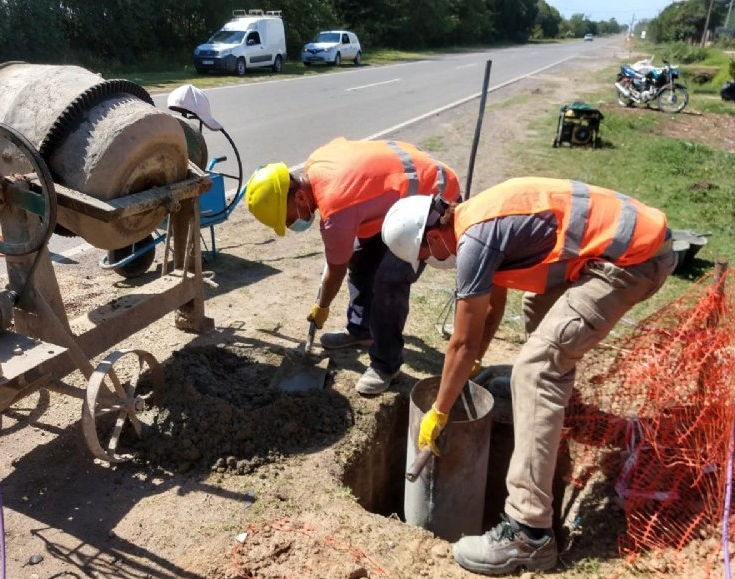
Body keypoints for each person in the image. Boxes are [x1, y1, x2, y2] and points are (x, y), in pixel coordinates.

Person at [381, 177, 676, 575]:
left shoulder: (474, 241)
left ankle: (528, 532)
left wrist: (440, 409)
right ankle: (553, 417)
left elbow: (462, 343)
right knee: (538, 305)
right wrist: (474, 368)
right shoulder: (478, 218)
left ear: (432, 238)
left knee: (534, 370)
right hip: (622, 248)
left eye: (426, 256)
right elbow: (489, 309)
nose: (434, 262)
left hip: (632, 260)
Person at [244, 137, 461, 394]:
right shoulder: (315, 164)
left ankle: (386, 365)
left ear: (301, 197)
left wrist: (321, 306)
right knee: (360, 256)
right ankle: (361, 329)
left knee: (390, 279)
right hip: (396, 197)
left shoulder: (336, 211)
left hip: (433, 197)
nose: (292, 225)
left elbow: (335, 272)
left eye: (289, 218)